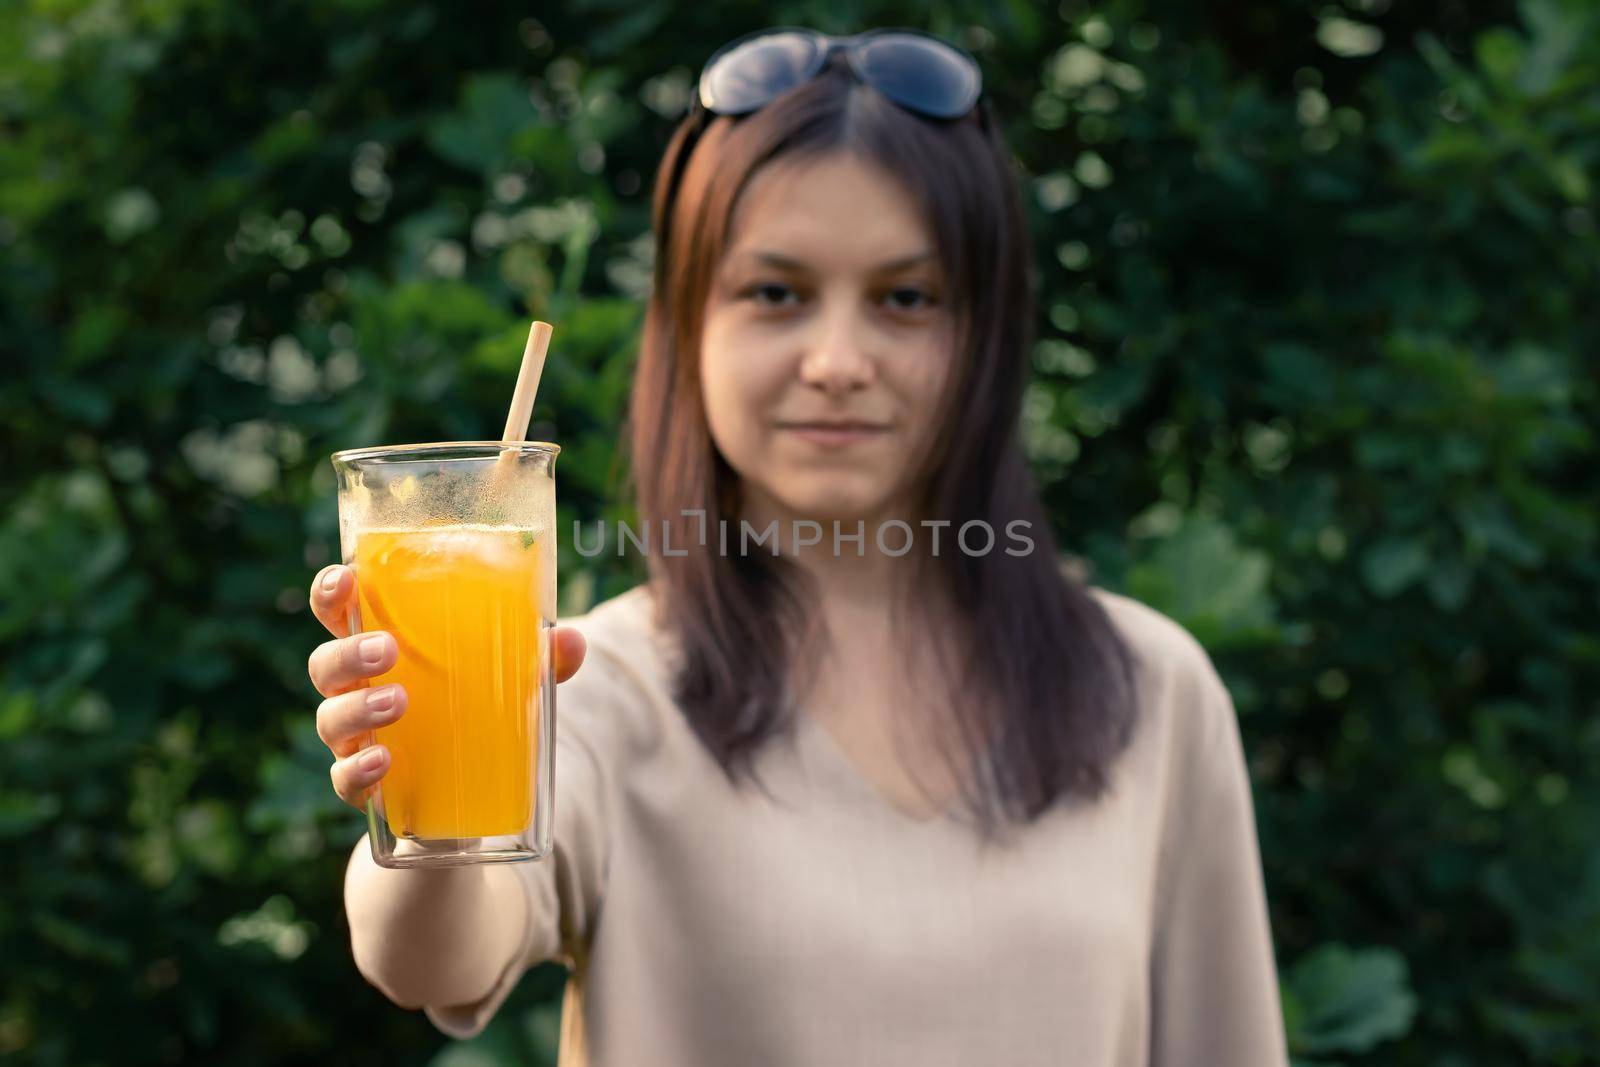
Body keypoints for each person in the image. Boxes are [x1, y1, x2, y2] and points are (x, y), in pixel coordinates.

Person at [305, 27, 1289, 1067]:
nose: (836, 360)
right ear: (688, 325)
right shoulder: (594, 687)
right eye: (774, 293)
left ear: (985, 337)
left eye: (905, 299)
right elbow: (431, 963)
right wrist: (414, 773)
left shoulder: (1149, 691)